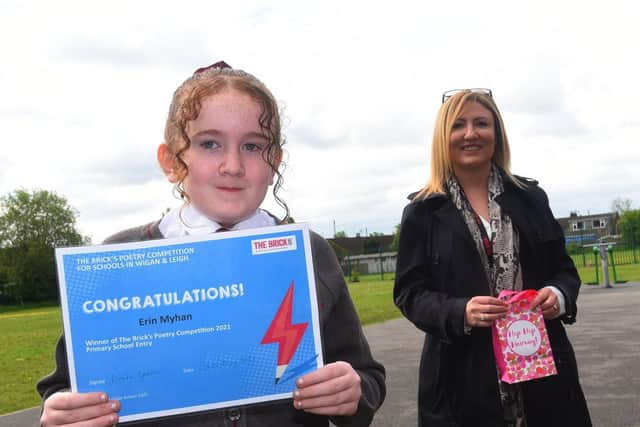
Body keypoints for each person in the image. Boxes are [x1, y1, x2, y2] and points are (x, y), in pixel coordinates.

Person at [37, 61, 385, 427]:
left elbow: (367, 377)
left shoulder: (308, 253)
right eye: (210, 144)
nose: (233, 165)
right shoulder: (116, 260)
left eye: (252, 146)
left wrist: (353, 391)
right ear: (171, 161)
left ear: (275, 163)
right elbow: (64, 387)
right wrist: (61, 411)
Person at [394, 88, 591, 427]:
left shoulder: (531, 199)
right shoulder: (423, 211)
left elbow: (564, 271)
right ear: (444, 138)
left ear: (496, 134)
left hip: (542, 372)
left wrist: (557, 296)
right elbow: (410, 293)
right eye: (458, 126)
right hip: (462, 379)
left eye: (481, 123)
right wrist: (460, 311)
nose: (470, 134)